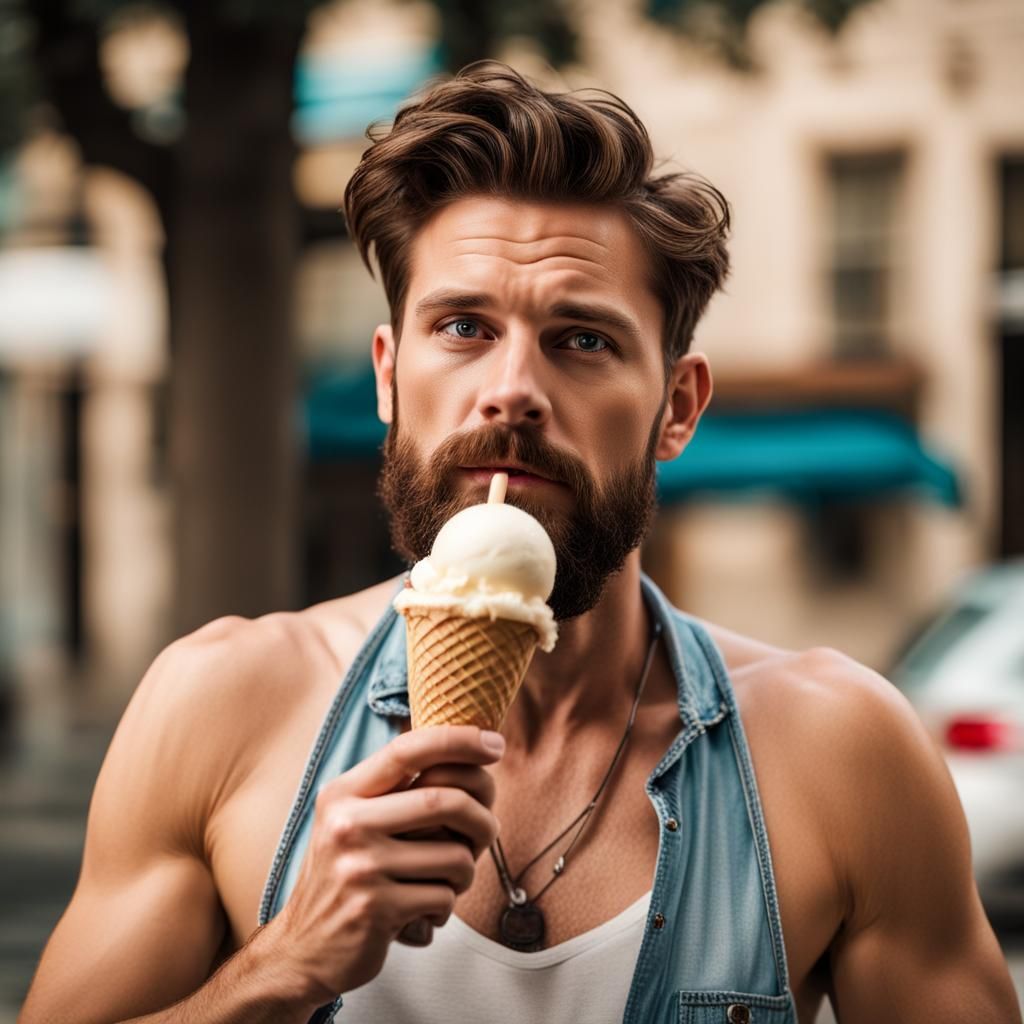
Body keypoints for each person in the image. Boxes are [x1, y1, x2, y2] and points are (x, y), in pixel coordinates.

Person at [21, 62, 1019, 1024]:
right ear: (388, 375)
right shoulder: (220, 706)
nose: (511, 390)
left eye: (581, 339)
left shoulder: (839, 752)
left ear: (676, 407)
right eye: (461, 326)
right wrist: (279, 967)